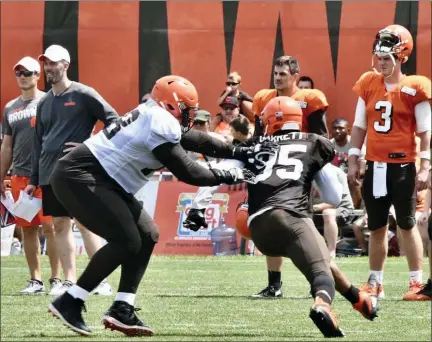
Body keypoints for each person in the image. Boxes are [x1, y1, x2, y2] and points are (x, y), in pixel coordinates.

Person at [46, 75, 272, 336]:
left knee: (147, 233)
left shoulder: (155, 114)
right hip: (83, 175)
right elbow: (190, 173)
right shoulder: (160, 120)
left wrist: (238, 151)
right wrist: (234, 174)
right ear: (173, 105)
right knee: (127, 240)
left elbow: (194, 140)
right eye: (187, 109)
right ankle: (71, 300)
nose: (190, 116)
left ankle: (122, 307)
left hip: (103, 179)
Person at [185, 98, 378, 324]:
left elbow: (218, 171)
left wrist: (198, 207)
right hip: (289, 215)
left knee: (319, 258)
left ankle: (358, 299)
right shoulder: (312, 143)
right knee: (320, 271)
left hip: (258, 228)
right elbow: (333, 196)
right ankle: (322, 304)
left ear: (268, 122)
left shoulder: (255, 145)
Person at [23, 45, 118, 296]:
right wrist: (34, 178)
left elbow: (116, 121)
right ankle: (68, 281)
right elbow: (38, 143)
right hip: (48, 174)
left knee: (87, 224)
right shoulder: (43, 103)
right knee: (60, 225)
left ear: (66, 65)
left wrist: (91, 145)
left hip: (78, 172)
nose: (48, 68)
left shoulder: (84, 93)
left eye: (53, 63)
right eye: (45, 63)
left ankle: (100, 280)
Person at [347, 24, 431, 300]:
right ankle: (375, 283)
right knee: (377, 225)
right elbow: (359, 127)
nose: (381, 63)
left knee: (407, 224)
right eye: (379, 58)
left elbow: (424, 131)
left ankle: (416, 283)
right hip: (375, 165)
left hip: (403, 166)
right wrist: (353, 158)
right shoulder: (369, 84)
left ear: (401, 58)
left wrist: (425, 166)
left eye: (387, 59)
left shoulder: (415, 87)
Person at [250, 56, 329, 298]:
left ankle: (317, 279)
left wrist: (315, 171)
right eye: (276, 73)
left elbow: (322, 138)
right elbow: (258, 136)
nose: (277, 77)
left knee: (302, 221)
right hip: (273, 167)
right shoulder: (264, 98)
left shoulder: (309, 100)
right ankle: (274, 285)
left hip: (300, 168)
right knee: (269, 213)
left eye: (283, 74)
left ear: (295, 76)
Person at [1, 56, 61, 295]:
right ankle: (35, 280)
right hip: (19, 176)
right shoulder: (10, 107)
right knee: (28, 229)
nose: (23, 77)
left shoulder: (50, 100)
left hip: (47, 174)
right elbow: (6, 146)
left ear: (38, 75)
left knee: (52, 228)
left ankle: (57, 279)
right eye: (19, 73)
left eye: (28, 72)